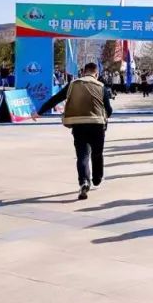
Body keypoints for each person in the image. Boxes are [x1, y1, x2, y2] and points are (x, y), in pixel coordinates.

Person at [34, 61, 113, 200]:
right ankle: (97, 178)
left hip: (78, 125)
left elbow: (55, 99)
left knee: (82, 156)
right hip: (97, 125)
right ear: (96, 74)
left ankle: (84, 182)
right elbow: (109, 110)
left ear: (83, 72)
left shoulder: (72, 84)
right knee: (97, 154)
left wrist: (39, 112)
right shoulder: (101, 86)